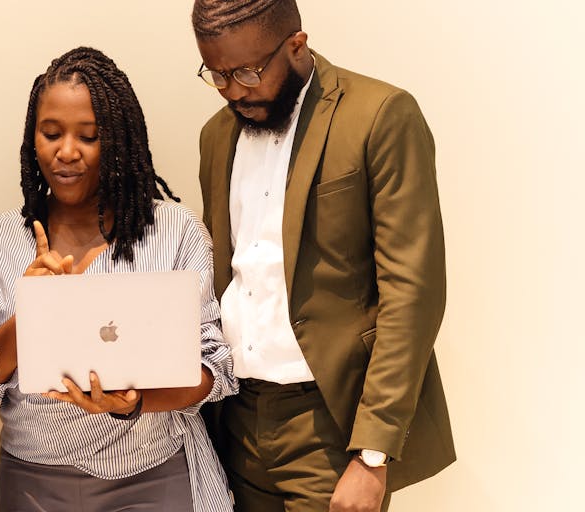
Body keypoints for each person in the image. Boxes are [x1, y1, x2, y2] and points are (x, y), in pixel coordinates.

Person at [190, 1, 456, 511]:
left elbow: (412, 293)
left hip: (332, 424)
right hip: (237, 419)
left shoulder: (379, 116)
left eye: (247, 72)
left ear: (296, 44)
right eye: (217, 74)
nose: (233, 91)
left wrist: (372, 455)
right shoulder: (216, 136)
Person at [0, 47, 238, 512]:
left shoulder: (175, 231)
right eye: (51, 133)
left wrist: (137, 401)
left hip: (154, 474)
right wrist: (31, 314)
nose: (67, 152)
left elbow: (213, 371)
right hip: (32, 481)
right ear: (32, 138)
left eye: (89, 136)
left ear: (119, 141)